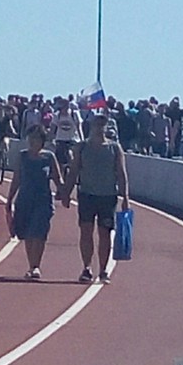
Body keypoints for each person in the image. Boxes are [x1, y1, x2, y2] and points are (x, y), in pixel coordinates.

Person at [63, 114, 130, 284]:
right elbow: (74, 170)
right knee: (86, 231)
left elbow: (121, 174)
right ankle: (86, 268)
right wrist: (66, 192)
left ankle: (103, 270)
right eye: (97, 124)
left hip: (108, 196)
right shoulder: (82, 147)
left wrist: (126, 197)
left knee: (105, 234)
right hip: (87, 195)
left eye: (103, 124)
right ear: (91, 126)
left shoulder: (114, 148)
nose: (99, 127)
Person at [8, 123, 66, 280]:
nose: (33, 142)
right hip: (25, 200)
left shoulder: (49, 157)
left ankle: (36, 267)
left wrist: (64, 193)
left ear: (42, 140)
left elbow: (57, 178)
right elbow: (16, 179)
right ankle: (31, 265)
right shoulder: (23, 156)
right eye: (30, 138)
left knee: (39, 233)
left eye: (36, 138)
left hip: (43, 200)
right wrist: (9, 200)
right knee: (27, 234)